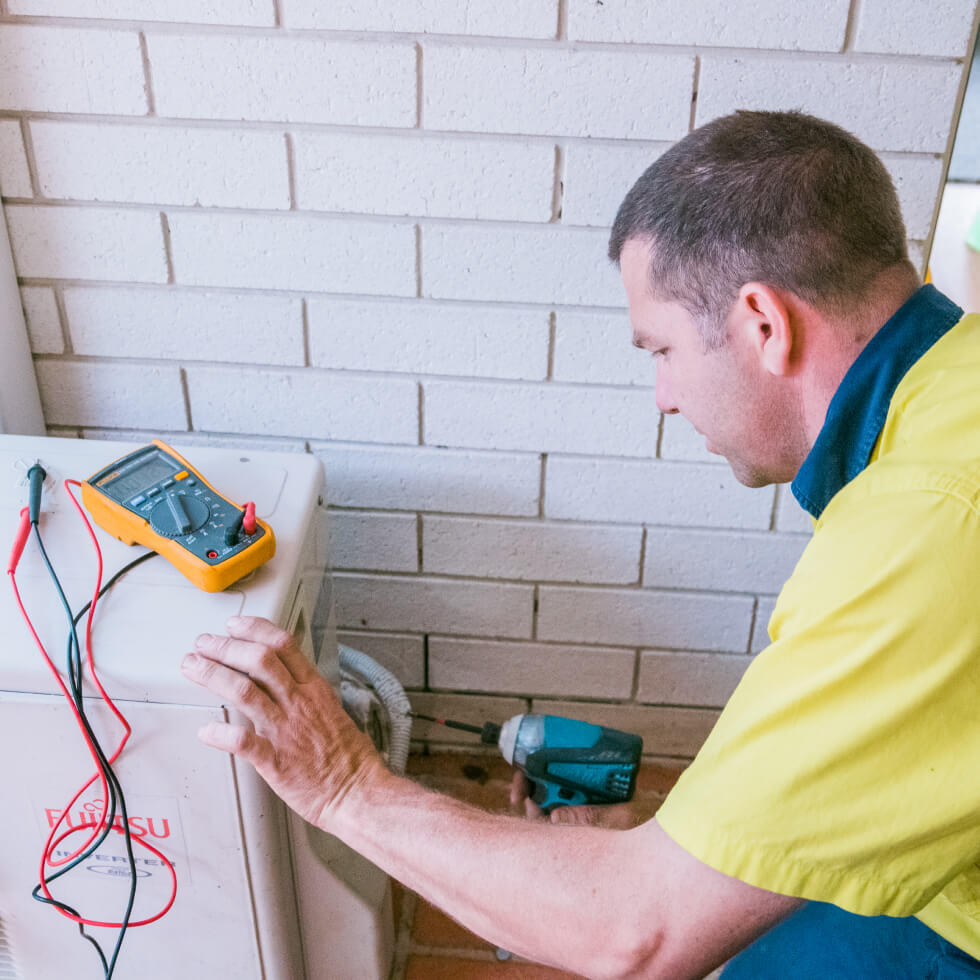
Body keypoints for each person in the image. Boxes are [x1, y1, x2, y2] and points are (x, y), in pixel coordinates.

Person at [180, 110, 980, 979]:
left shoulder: (927, 528)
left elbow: (637, 936)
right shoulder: (950, 385)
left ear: (761, 323)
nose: (664, 395)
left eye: (661, 348)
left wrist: (344, 785)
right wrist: (663, 853)